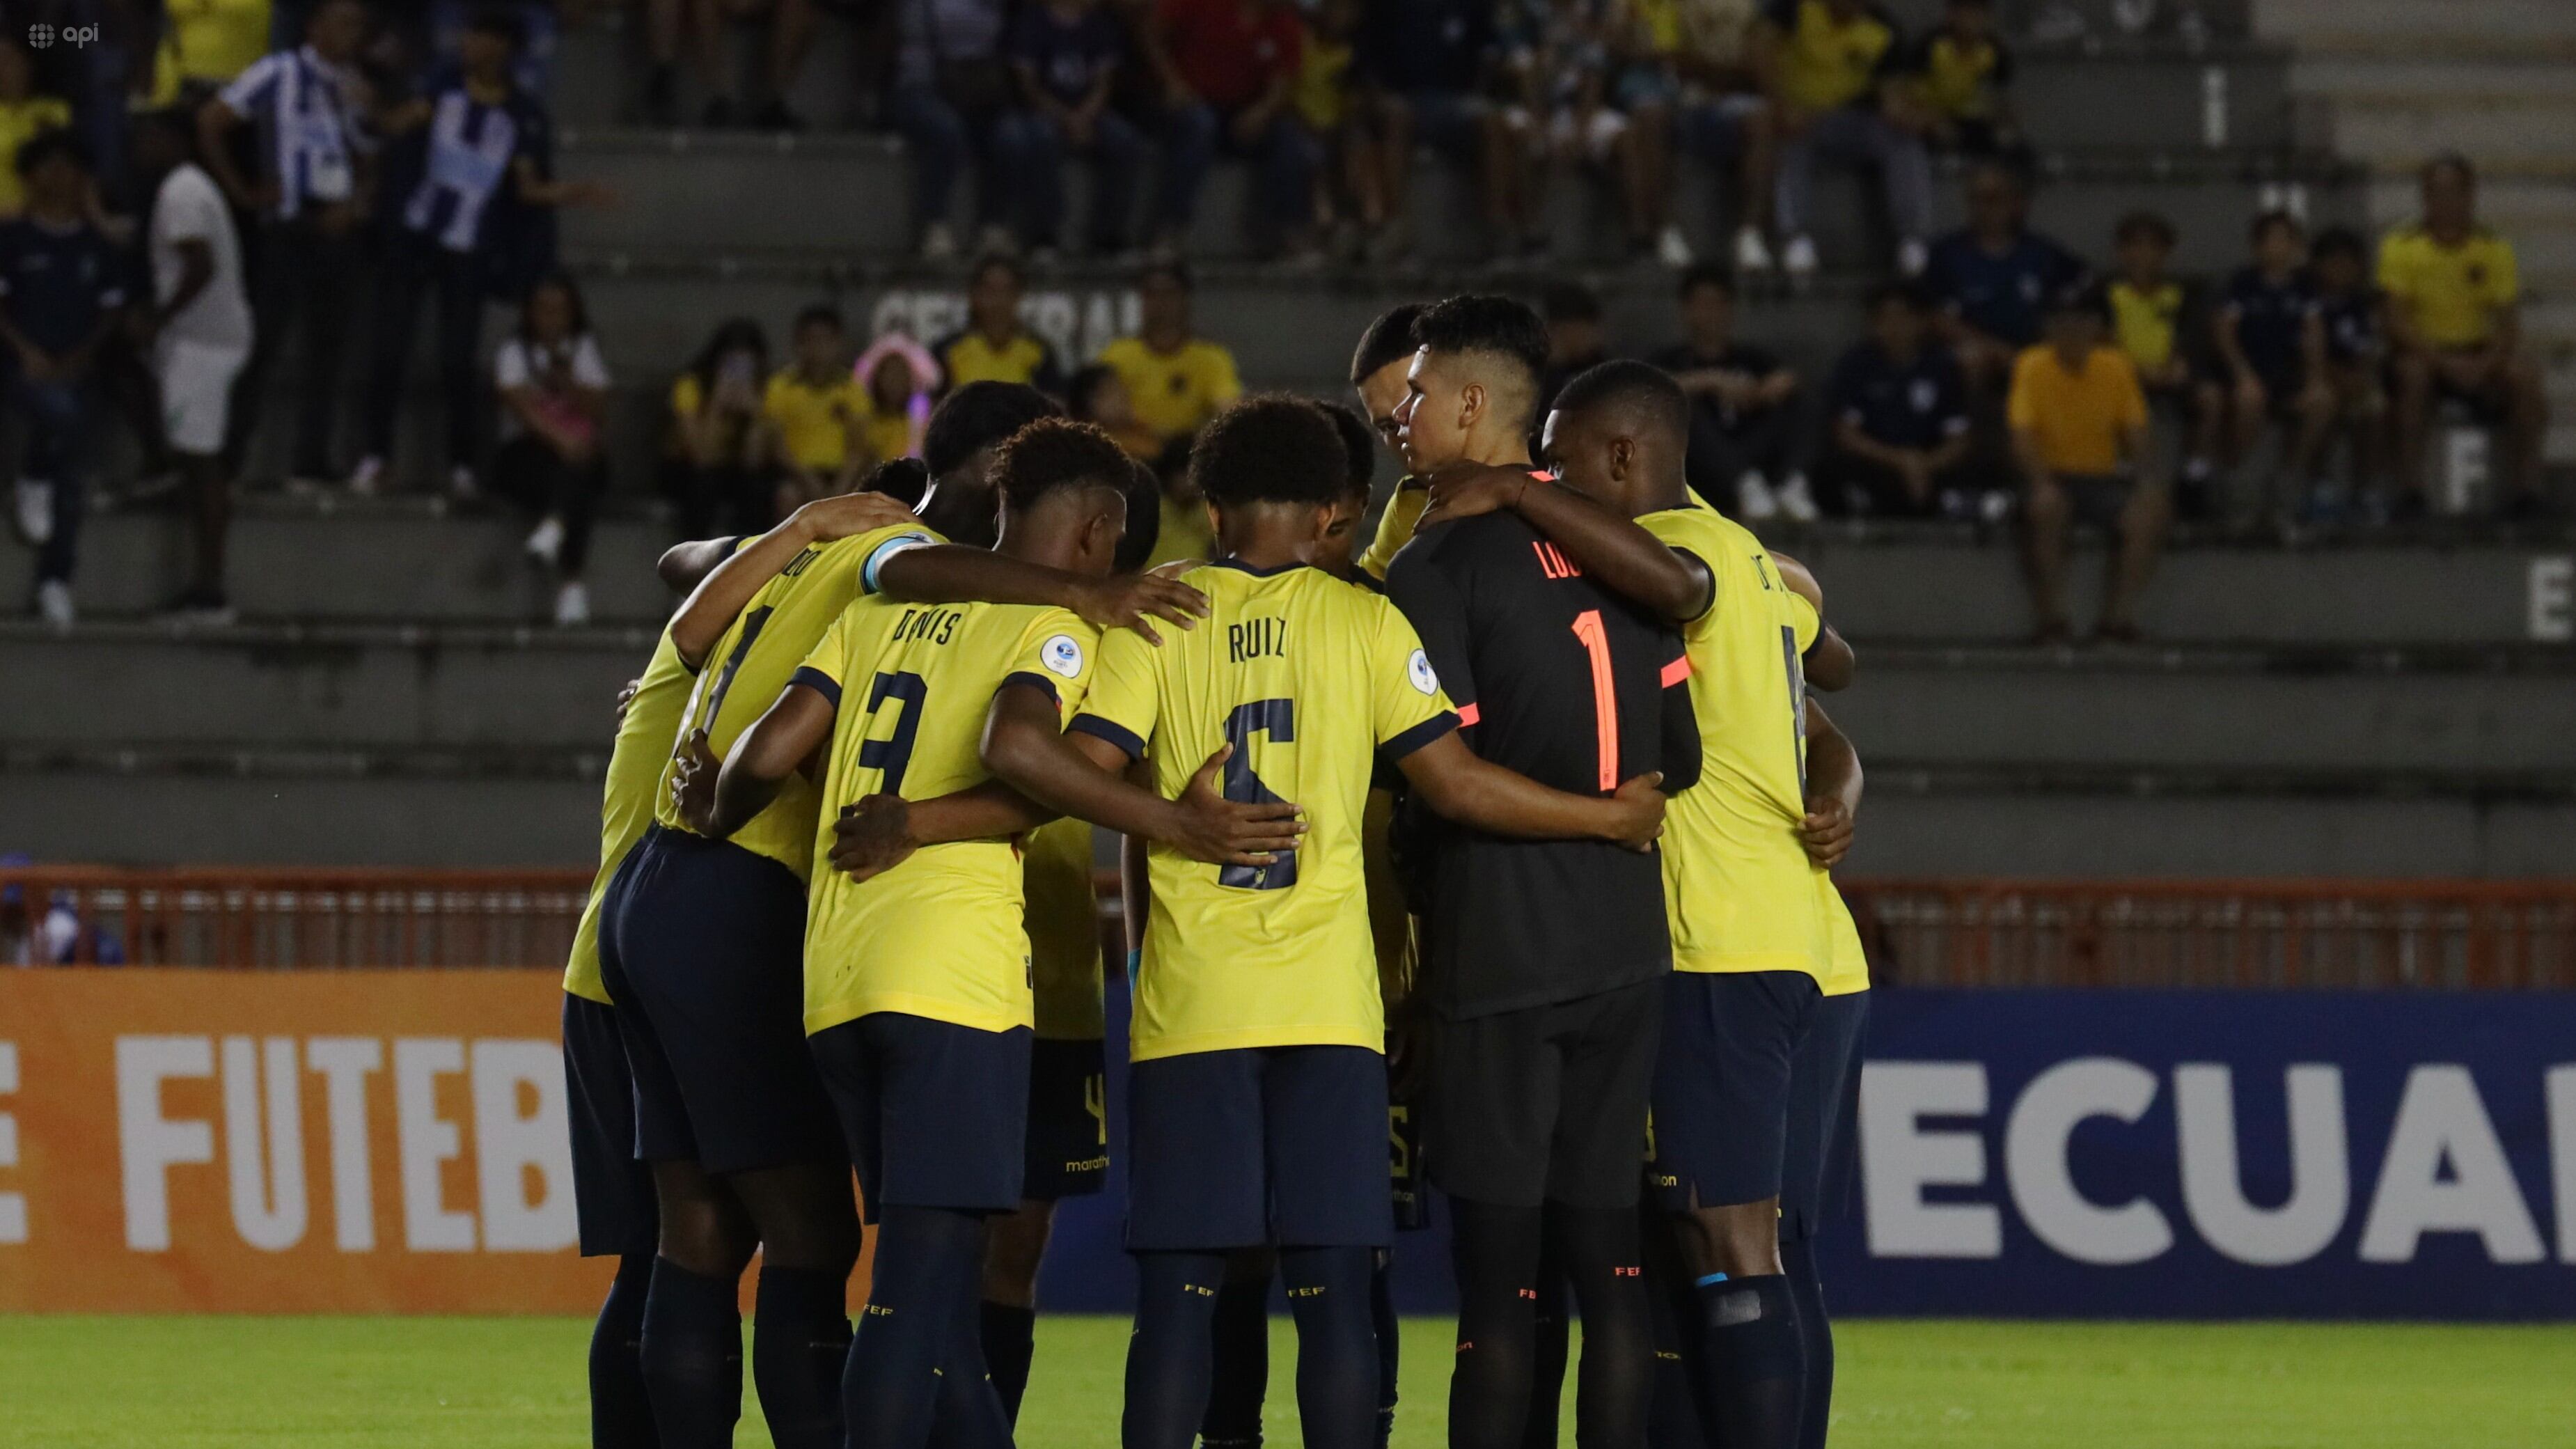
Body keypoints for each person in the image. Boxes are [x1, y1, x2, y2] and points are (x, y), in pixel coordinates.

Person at [613, 382, 1202, 1449]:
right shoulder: (1056, 624)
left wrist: (716, 804)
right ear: (1100, 536)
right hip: (957, 978)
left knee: (895, 1277)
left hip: (833, 970)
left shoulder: (873, 608)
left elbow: (765, 742)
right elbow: (1022, 755)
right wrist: (1175, 822)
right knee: (916, 1286)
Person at [1408, 357, 1848, 1449]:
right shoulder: (1751, 558)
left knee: (1731, 1246)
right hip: (1807, 939)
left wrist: (1510, 492)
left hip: (1716, 939)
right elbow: (1832, 671)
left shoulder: (1673, 560)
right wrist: (1839, 791)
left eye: (1564, 464)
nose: (1551, 481)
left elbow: (1682, 591)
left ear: (1620, 457)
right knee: (1755, 1245)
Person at [1387, 298, 1699, 1449]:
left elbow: (1448, 780)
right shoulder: (1623, 556)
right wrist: (1613, 816)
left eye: (1418, 392)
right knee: (1609, 1270)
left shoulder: (1436, 564)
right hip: (1625, 951)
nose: (1402, 414)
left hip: (1502, 952)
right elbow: (1681, 761)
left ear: (1473, 404)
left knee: (1501, 1291)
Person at [563, 485, 920, 1449]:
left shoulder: (723, 624)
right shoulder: (806, 640)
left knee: (677, 1245)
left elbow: (683, 560)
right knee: (764, 1238)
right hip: (698, 942)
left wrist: (797, 530)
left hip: (618, 947)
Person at [352, 7, 610, 499]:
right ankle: (376, 454)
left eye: (479, 38)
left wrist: (578, 191)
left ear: (502, 48)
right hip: (417, 235)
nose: (467, 45)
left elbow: (528, 187)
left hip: (468, 249)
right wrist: (374, 110)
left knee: (457, 358)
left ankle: (461, 463)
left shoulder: (521, 114)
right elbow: (400, 124)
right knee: (389, 348)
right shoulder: (440, 88)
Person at [199, 0, 372, 484]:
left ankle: (311, 459)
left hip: (338, 224)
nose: (351, 34)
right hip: (290, 223)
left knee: (329, 347)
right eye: (342, 23)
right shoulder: (278, 71)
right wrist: (243, 193)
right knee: (262, 342)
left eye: (357, 25)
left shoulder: (354, 84)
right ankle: (228, 457)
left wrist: (358, 201)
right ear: (315, 27)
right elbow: (211, 121)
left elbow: (369, 152)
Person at [2379, 152, 2551, 520]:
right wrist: (2443, 362)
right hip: (2424, 351)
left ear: (2470, 195)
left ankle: (2529, 490)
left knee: (2525, 377)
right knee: (2412, 377)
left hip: (2478, 350)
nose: (2445, 201)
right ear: (2425, 196)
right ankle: (2410, 490)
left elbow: (2508, 324)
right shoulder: (2400, 245)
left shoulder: (2494, 247)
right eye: (2435, 192)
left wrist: (2484, 364)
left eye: (2454, 191)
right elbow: (2395, 320)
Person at [129, 107, 253, 622]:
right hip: (202, 340)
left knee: (203, 465)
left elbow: (200, 265)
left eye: (147, 138)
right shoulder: (190, 187)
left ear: (171, 139)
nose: (138, 149)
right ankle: (162, 461)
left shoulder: (181, 191)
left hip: (204, 345)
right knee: (193, 456)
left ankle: (210, 591)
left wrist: (158, 318)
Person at [2, 130, 125, 633]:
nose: (60, 176)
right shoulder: (13, 239)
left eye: (69, 166)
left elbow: (111, 310)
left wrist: (81, 357)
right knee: (63, 418)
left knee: (71, 475)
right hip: (21, 365)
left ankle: (56, 578)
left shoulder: (96, 245)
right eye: (49, 165)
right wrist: (26, 352)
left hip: (76, 368)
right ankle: (34, 474)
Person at [2011, 281, 2160, 644]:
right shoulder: (2031, 364)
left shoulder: (2116, 366)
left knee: (2148, 510)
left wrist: (2143, 480)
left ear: (2097, 326)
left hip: (2102, 479)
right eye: (2063, 321)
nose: (2072, 330)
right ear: (2049, 327)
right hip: (2052, 475)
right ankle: (2053, 619)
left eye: (2082, 321)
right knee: (2046, 507)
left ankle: (2117, 619)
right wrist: (2041, 482)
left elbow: (2135, 431)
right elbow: (2022, 435)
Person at [1761, 0, 1932, 285]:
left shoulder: (1882, 27)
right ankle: (1795, 238)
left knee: (1903, 142)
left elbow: (1891, 92)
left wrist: (1904, 113)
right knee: (1787, 139)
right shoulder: (1794, 9)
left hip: (1854, 120)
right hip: (1800, 117)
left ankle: (1912, 240)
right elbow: (1761, 47)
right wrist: (1780, 104)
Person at [1142, 0, 1321, 263]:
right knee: (1199, 125)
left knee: (1289, 138)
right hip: (1192, 105)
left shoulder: (1284, 24)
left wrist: (1262, 112)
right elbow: (1153, 34)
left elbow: (1283, 82)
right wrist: (1172, 82)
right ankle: (1169, 230)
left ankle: (1292, 233)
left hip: (1245, 114)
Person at [1354, 0, 1519, 263]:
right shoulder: (1388, 8)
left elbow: (1491, 50)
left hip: (1459, 100)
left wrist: (1484, 85)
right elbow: (1368, 59)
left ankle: (1498, 227)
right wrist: (1381, 96)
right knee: (1397, 119)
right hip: (1407, 99)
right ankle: (1398, 227)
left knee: (1493, 122)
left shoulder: (1471, 7)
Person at [1652, 263, 1818, 522]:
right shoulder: (1670, 360)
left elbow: (1788, 378)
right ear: (1686, 309)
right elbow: (1648, 390)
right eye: (1703, 304)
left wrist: (1761, 392)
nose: (1712, 313)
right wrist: (1710, 381)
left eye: (1719, 303)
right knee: (1679, 407)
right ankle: (1743, 483)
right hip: (1701, 467)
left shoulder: (1752, 359)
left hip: (1753, 449)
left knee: (1805, 404)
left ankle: (1792, 484)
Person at [492, 272, 611, 626]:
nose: (552, 319)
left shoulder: (583, 349)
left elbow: (599, 409)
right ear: (530, 313)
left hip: (578, 454)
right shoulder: (514, 352)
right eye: (544, 309)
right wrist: (563, 441)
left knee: (581, 474)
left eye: (560, 310)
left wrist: (568, 382)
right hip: (527, 453)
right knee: (574, 476)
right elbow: (520, 407)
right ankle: (572, 583)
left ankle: (555, 526)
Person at [1920, 159, 2084, 399]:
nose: (1984, 208)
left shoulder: (2043, 252)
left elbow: (2076, 300)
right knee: (1971, 359)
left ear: (2015, 202)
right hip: (1979, 349)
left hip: (2036, 347)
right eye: (1976, 199)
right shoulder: (1946, 253)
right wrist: (1996, 349)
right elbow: (1936, 316)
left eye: (1993, 198)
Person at [1814, 281, 1974, 517]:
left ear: (1922, 321)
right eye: (1885, 318)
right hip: (1879, 462)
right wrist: (1901, 461)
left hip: (1929, 463)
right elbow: (1846, 435)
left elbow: (1959, 437)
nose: (1894, 327)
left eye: (1903, 317)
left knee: (1973, 469)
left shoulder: (1942, 366)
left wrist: (1924, 464)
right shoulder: (1856, 365)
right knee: (1831, 468)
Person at [999, 0, 1145, 258]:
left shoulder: (1099, 23)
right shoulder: (1032, 21)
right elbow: (1029, 85)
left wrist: (1085, 116)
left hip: (1089, 111)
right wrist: (1065, 117)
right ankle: (1046, 235)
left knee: (1124, 140)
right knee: (1041, 138)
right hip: (1043, 110)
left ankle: (1108, 235)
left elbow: (1104, 83)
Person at [2105, 210, 2224, 518]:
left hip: (2170, 374)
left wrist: (2178, 365)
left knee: (2210, 397)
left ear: (2166, 252)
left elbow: (2192, 337)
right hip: (2122, 377)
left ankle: (2194, 476)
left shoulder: (2184, 294)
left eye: (2152, 246)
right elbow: (2102, 341)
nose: (2142, 254)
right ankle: (2121, 475)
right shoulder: (2105, 294)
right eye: (2134, 245)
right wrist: (2134, 371)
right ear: (2121, 252)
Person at [2213, 210, 2334, 516]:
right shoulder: (2243, 283)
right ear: (2257, 246)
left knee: (2321, 402)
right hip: (2251, 370)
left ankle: (2290, 476)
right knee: (2249, 400)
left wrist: (2315, 380)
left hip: (2288, 373)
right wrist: (2243, 375)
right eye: (2271, 240)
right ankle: (2239, 475)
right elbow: (2225, 332)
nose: (2278, 247)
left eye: (2285, 240)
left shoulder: (2305, 286)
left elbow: (2314, 334)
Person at [889, 0, 1014, 260]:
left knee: (1007, 132)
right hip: (921, 86)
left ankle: (993, 226)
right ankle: (934, 223)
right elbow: (913, 44)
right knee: (946, 131)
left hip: (978, 87)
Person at [1670, 0, 1776, 275]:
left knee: (1763, 122)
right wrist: (1718, 73)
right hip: (1683, 100)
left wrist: (1722, 75)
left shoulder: (1753, 8)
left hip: (1735, 99)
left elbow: (1758, 64)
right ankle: (1665, 230)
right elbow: (1675, 60)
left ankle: (1750, 233)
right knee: (1655, 117)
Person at [1097, 260, 1242, 446]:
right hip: (1132, 454)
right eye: (1151, 294)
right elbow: (1102, 410)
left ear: (1185, 299)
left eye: (1169, 293)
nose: (1160, 302)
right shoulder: (1116, 355)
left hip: (1186, 453)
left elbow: (1227, 406)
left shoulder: (1211, 358)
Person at [668, 318, 780, 538]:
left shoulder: (768, 390)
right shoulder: (691, 386)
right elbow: (701, 456)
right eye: (731, 363)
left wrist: (754, 413)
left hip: (738, 468)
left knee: (756, 485)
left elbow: (754, 461)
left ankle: (749, 552)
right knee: (703, 482)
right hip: (689, 468)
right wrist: (717, 406)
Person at [764, 304, 872, 512]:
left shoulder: (853, 388)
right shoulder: (780, 386)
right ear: (798, 344)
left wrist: (839, 489)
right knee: (788, 496)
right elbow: (778, 447)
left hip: (841, 474)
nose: (818, 348)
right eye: (810, 340)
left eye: (825, 340)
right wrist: (809, 481)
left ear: (838, 344)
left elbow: (859, 448)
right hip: (796, 475)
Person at [1349, 301, 1429, 581]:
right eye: (1388, 426)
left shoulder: (1547, 476)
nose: (1403, 433)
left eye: (1415, 402)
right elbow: (1360, 595)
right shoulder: (1411, 506)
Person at [2308, 225, 2386, 512]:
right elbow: (2304, 352)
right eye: (2334, 262)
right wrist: (2337, 377)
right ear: (2318, 265)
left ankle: (2365, 487)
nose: (2341, 270)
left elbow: (2367, 349)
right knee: (2325, 403)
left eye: (2349, 263)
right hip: (2314, 377)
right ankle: (2320, 484)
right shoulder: (2307, 300)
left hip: (2352, 378)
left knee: (2374, 407)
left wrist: (2360, 378)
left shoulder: (2360, 304)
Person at [1903, 0, 2023, 166]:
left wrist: (2005, 125)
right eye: (1965, 13)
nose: (1970, 21)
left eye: (1977, 14)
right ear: (1951, 15)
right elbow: (1910, 93)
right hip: (1934, 119)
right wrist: (1932, 120)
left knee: (2015, 150)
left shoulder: (1995, 50)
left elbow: (2002, 97)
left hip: (1973, 121)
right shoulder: (1930, 45)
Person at [934, 253, 1069, 395]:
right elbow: (929, 402)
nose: (999, 300)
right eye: (990, 291)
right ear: (974, 294)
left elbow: (1054, 402)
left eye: (1007, 291)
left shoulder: (1039, 352)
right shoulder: (949, 350)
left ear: (1018, 296)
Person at [0, 37, 72, 219]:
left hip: (39, 218)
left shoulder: (53, 111)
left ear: (28, 64)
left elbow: (59, 167)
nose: (2, 69)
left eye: (8, 60)